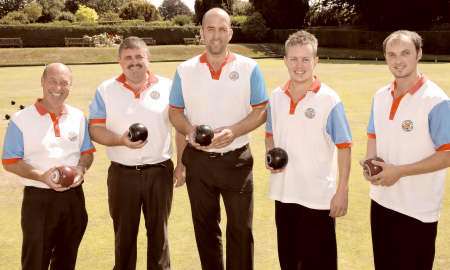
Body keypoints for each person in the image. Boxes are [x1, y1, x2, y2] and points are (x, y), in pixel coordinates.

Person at [168, 8, 268, 270]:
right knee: (205, 229)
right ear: (201, 33)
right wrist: (189, 131)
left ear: (230, 33)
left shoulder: (249, 67)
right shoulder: (185, 70)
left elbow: (261, 111)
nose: (216, 35)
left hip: (237, 161)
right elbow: (175, 112)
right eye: (210, 29)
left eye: (222, 29)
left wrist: (233, 131)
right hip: (199, 163)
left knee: (241, 229)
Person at [88, 36, 185, 270]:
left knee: (159, 237)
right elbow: (95, 129)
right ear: (120, 62)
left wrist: (181, 163)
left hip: (159, 172)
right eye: (128, 58)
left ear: (148, 58)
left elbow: (181, 127)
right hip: (122, 174)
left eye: (139, 56)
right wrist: (120, 140)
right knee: (124, 237)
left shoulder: (168, 87)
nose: (134, 62)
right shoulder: (106, 90)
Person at [362, 30, 450, 270]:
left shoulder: (436, 101)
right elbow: (373, 135)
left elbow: (447, 154)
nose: (397, 60)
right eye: (391, 54)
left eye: (405, 53)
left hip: (417, 210)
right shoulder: (380, 96)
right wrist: (370, 162)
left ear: (419, 54)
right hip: (381, 202)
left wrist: (400, 171)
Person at [265, 30, 352, 270]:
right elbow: (270, 135)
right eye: (293, 59)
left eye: (306, 59)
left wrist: (342, 191)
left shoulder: (329, 99)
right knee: (289, 263)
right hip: (284, 194)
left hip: (317, 199)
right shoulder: (276, 97)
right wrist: (270, 155)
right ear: (285, 61)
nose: (299, 65)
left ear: (316, 61)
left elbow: (345, 147)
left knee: (319, 265)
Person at [2, 63, 95, 270]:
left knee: (66, 260)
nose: (58, 87)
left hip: (73, 199)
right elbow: (10, 161)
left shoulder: (78, 116)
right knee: (35, 262)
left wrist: (81, 169)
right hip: (39, 199)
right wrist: (42, 176)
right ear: (42, 82)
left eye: (64, 83)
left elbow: (87, 153)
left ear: (70, 86)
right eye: (53, 81)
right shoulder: (21, 119)